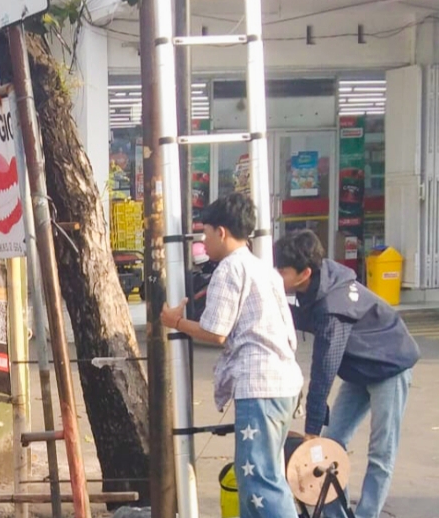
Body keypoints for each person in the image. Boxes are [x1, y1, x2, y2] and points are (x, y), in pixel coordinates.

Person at [161, 194, 302, 518]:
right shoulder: (262, 268)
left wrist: (175, 322)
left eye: (206, 233)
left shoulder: (229, 269)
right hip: (283, 381)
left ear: (221, 232)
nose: (203, 241)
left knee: (260, 481)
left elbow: (216, 331)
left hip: (259, 385)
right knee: (262, 475)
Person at [275, 229, 419, 518]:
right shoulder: (316, 282)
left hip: (389, 366)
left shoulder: (333, 307)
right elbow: (299, 317)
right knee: (330, 445)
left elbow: (323, 371)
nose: (277, 275)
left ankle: (367, 514)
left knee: (380, 453)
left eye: (282, 271)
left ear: (304, 273)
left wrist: (311, 428)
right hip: (359, 368)